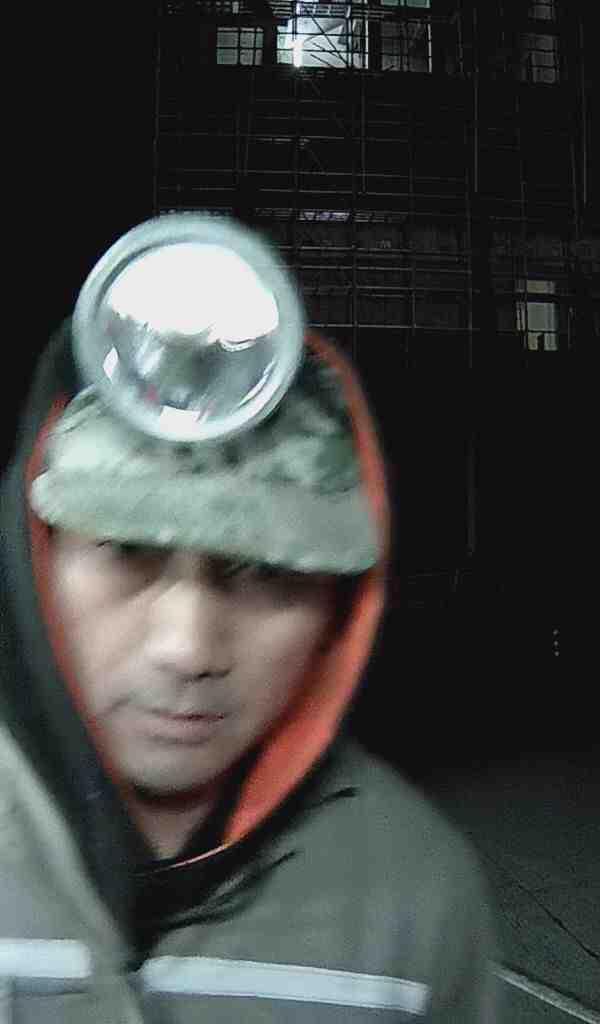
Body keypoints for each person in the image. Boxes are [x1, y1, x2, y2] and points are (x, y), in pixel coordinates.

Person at [0, 215, 501, 1022]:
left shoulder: (422, 901)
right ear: (36, 559)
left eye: (268, 572)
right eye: (127, 551)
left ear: (339, 608)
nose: (187, 648)